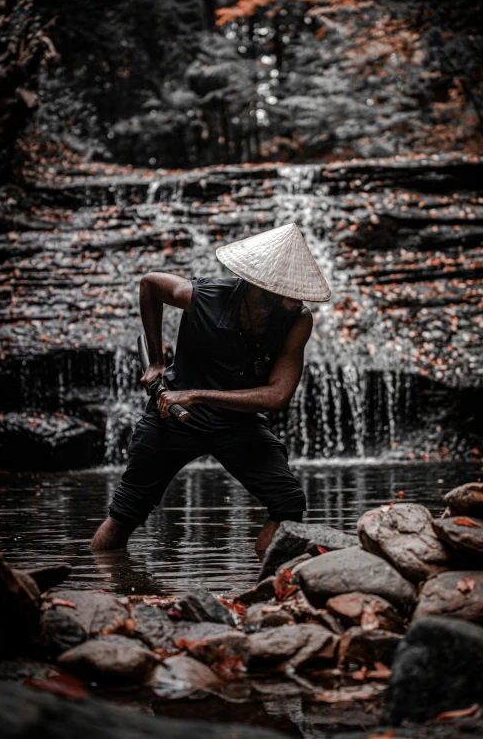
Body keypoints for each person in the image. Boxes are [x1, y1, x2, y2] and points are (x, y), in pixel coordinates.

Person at [90, 223, 331, 555]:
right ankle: (104, 591)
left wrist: (198, 394)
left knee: (289, 503)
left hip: (236, 422)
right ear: (259, 289)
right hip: (171, 418)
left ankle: (266, 588)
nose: (296, 303)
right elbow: (149, 283)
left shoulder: (298, 319)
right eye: (287, 297)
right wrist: (157, 361)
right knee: (125, 513)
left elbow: (277, 396)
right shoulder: (203, 296)